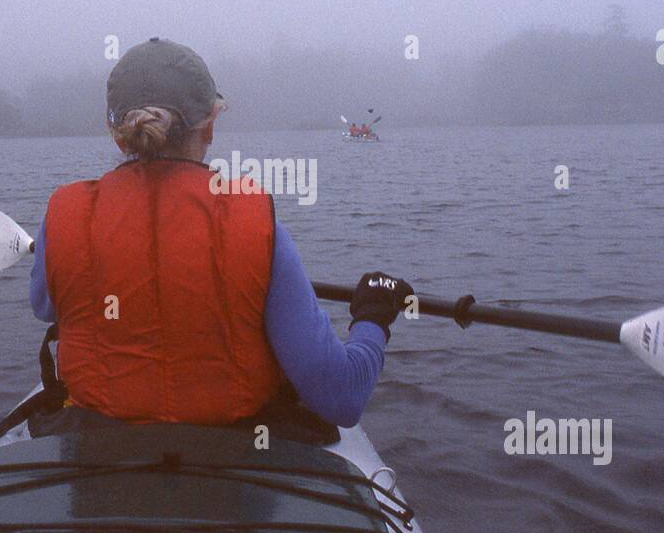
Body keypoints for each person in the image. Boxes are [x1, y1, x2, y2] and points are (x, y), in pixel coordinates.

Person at [29, 37, 412, 430]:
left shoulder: (64, 216)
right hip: (230, 461)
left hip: (97, 466)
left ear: (117, 133)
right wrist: (373, 314)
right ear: (209, 127)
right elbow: (341, 396)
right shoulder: (257, 225)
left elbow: (45, 307)